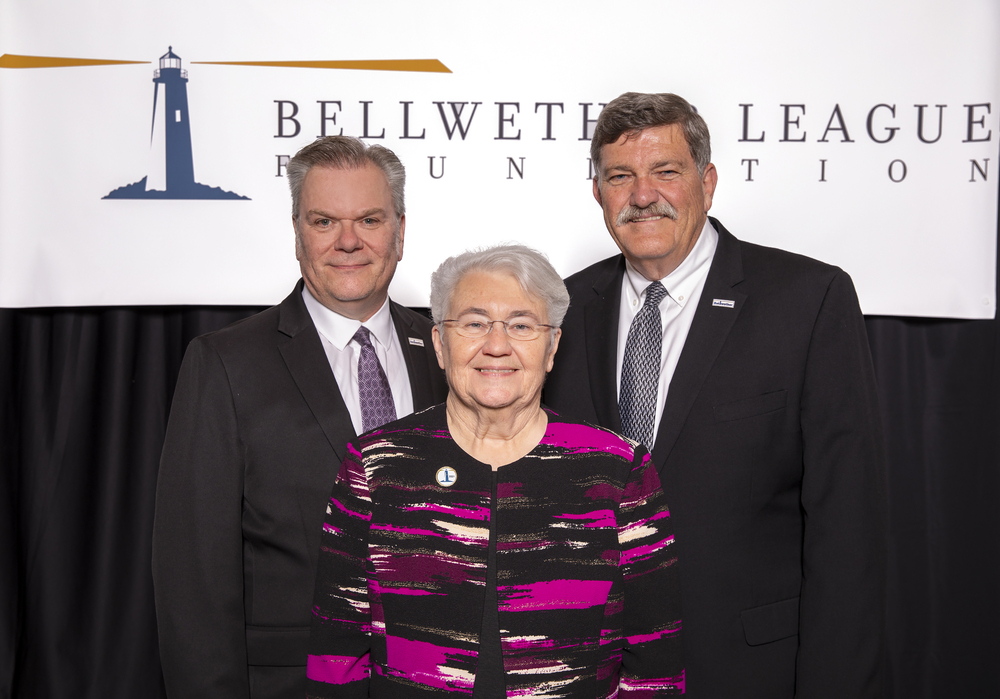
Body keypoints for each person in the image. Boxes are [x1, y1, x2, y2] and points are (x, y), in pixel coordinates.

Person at [544, 93, 887, 698]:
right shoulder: (559, 311)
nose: (643, 194)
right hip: (587, 673)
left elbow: (848, 528)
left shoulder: (806, 301)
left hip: (746, 672)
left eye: (666, 172)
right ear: (597, 192)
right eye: (620, 176)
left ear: (708, 182)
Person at [305, 245, 684, 698]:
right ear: (441, 345)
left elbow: (654, 667)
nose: (497, 345)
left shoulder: (619, 470)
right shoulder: (374, 466)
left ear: (552, 347)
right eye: (474, 323)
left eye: (522, 325)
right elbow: (338, 660)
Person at [152, 136, 448, 699]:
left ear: (400, 232)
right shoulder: (225, 364)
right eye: (323, 221)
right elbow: (192, 578)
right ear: (296, 233)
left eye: (369, 218)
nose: (348, 241)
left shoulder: (447, 352)